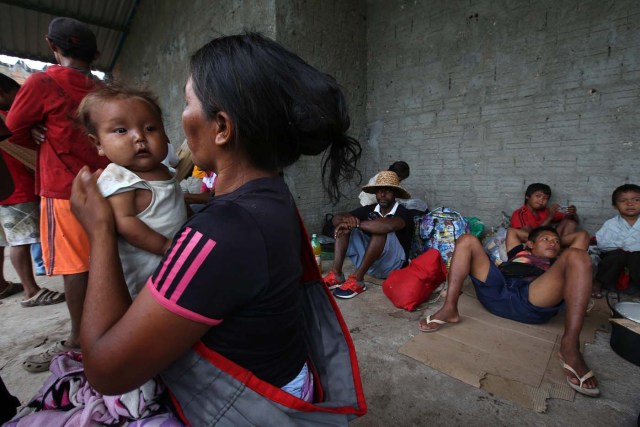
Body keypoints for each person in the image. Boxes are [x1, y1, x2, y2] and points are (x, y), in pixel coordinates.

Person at [68, 33, 362, 424]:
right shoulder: (272, 194)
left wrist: (101, 231)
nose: (181, 117)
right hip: (292, 380)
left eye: (188, 102)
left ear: (221, 127)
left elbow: (106, 371)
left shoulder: (217, 233)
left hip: (254, 405)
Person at [5, 17, 109, 372]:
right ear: (95, 53)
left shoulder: (42, 82)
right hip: (108, 185)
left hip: (65, 189)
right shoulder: (104, 90)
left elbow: (13, 129)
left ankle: (79, 342)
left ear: (52, 46)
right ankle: (110, 326)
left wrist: (35, 132)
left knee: (76, 268)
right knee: (105, 259)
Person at [419, 226, 600, 397]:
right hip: (497, 291)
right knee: (467, 240)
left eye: (557, 241)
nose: (553, 243)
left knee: (578, 256)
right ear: (530, 243)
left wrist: (554, 240)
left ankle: (569, 345)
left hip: (531, 299)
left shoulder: (559, 262)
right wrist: (538, 234)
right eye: (546, 239)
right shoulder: (518, 251)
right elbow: (512, 231)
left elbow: (582, 236)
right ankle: (450, 308)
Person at [77, 85, 188, 297]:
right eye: (121, 130)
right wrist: (164, 245)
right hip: (145, 272)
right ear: (98, 143)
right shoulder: (118, 178)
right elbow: (124, 222)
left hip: (174, 260)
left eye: (150, 128)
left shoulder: (165, 170)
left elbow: (176, 203)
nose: (139, 137)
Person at [0, 73, 64, 306]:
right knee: (21, 240)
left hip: (12, 190)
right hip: (14, 190)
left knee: (15, 240)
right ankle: (31, 291)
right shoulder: (8, 119)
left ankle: (14, 286)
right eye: (17, 97)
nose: (20, 103)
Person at [323, 170, 414, 299]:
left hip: (392, 267)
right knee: (343, 227)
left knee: (379, 231)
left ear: (395, 194)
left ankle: (358, 280)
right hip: (371, 265)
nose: (382, 194)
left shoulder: (403, 212)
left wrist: (357, 223)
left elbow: (388, 226)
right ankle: (336, 274)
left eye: (387, 191)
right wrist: (346, 222)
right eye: (379, 191)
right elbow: (337, 218)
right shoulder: (370, 209)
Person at [507, 183, 589, 256]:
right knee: (544, 237)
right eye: (538, 196)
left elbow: (575, 221)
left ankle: (562, 252)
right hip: (537, 243)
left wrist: (573, 213)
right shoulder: (520, 213)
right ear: (527, 197)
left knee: (570, 222)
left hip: (552, 241)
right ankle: (562, 253)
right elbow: (532, 236)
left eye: (545, 198)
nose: (541, 200)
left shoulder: (546, 211)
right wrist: (550, 216)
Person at [592, 184, 640, 298]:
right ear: (615, 205)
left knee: (637, 257)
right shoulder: (611, 224)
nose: (630, 204)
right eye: (623, 201)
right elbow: (602, 243)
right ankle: (598, 282)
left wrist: (631, 248)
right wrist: (623, 247)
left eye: (636, 200)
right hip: (617, 255)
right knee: (617, 256)